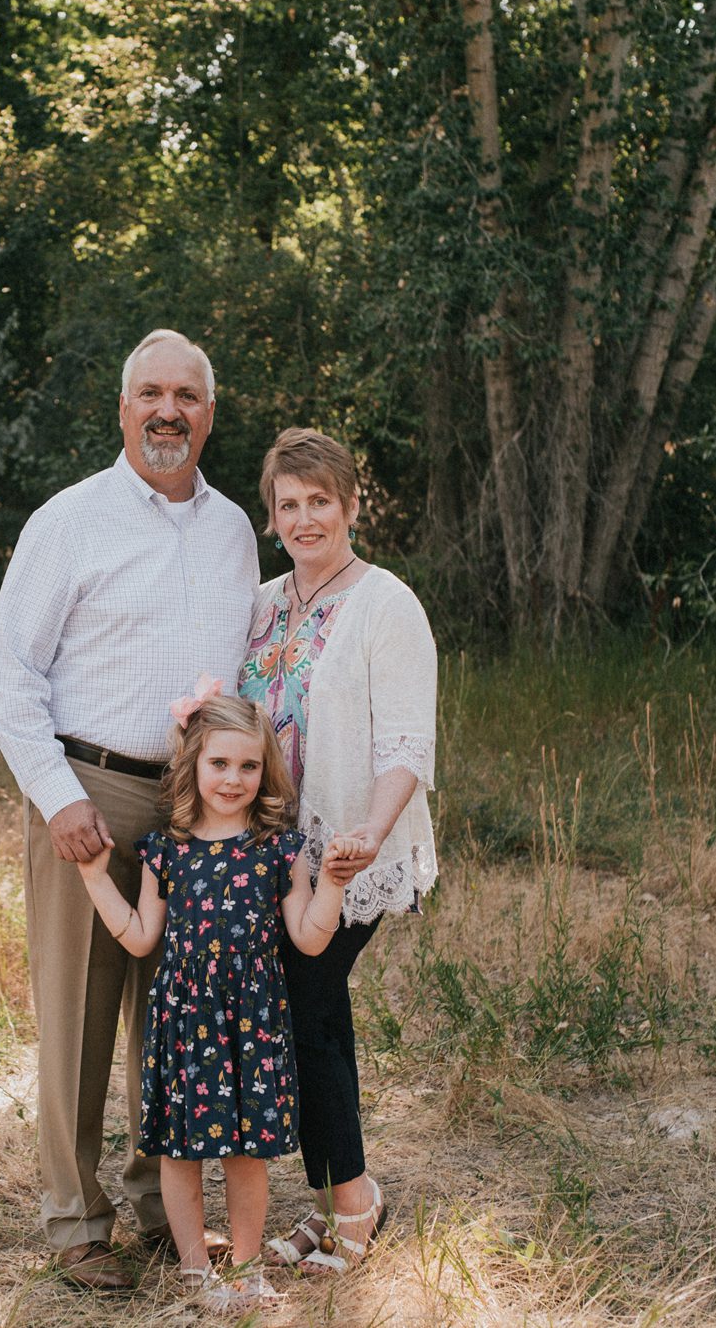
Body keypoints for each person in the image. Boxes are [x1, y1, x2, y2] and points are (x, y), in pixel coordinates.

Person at [0, 330, 259, 1290]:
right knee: (79, 1013)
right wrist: (57, 797)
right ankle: (74, 1221)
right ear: (124, 408)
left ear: (209, 414)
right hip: (88, 789)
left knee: (175, 1017)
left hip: (196, 804)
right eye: (151, 393)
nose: (168, 410)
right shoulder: (71, 520)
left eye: (186, 394)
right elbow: (6, 676)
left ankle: (157, 1204)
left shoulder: (232, 530)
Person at [75, 687, 362, 1310]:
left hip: (252, 1023)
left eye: (249, 766)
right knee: (182, 1150)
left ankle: (248, 1269)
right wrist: (97, 879)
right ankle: (195, 1272)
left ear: (266, 771)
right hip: (184, 1021)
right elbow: (141, 934)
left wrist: (333, 885)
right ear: (193, 764)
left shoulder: (277, 850)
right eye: (220, 764)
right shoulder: (166, 850)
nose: (234, 779)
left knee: (245, 1152)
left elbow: (310, 939)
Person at [239, 426, 439, 1275]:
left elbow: (406, 745)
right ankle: (328, 1204)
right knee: (298, 1013)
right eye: (290, 504)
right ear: (272, 514)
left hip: (349, 848)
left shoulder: (388, 603)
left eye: (321, 500)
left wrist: (366, 831)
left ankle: (354, 1200)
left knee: (309, 1004)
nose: (306, 517)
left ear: (352, 503)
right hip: (271, 850)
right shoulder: (260, 602)